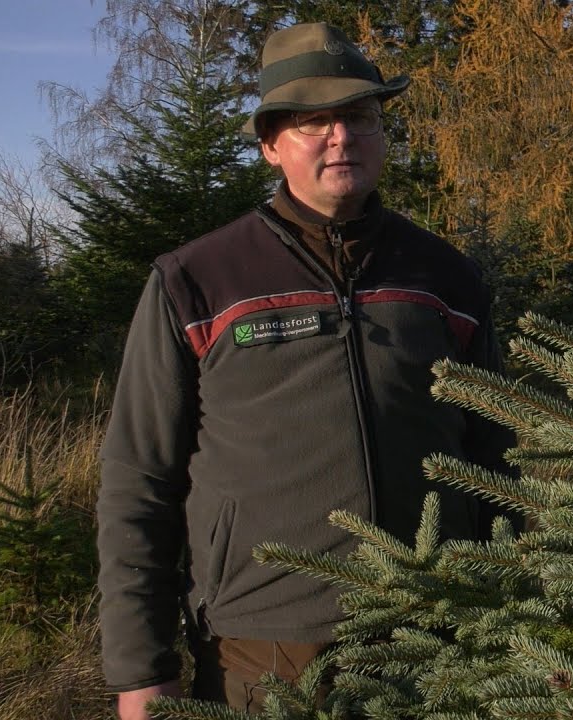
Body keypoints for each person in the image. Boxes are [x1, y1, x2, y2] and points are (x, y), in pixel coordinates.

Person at [96, 22, 510, 718]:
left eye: (358, 116)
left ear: (382, 135)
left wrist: (515, 612)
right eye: (314, 121)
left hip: (437, 633)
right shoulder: (196, 281)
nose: (341, 137)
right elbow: (139, 480)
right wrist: (141, 670)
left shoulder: (445, 276)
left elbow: (496, 457)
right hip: (262, 649)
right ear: (270, 144)